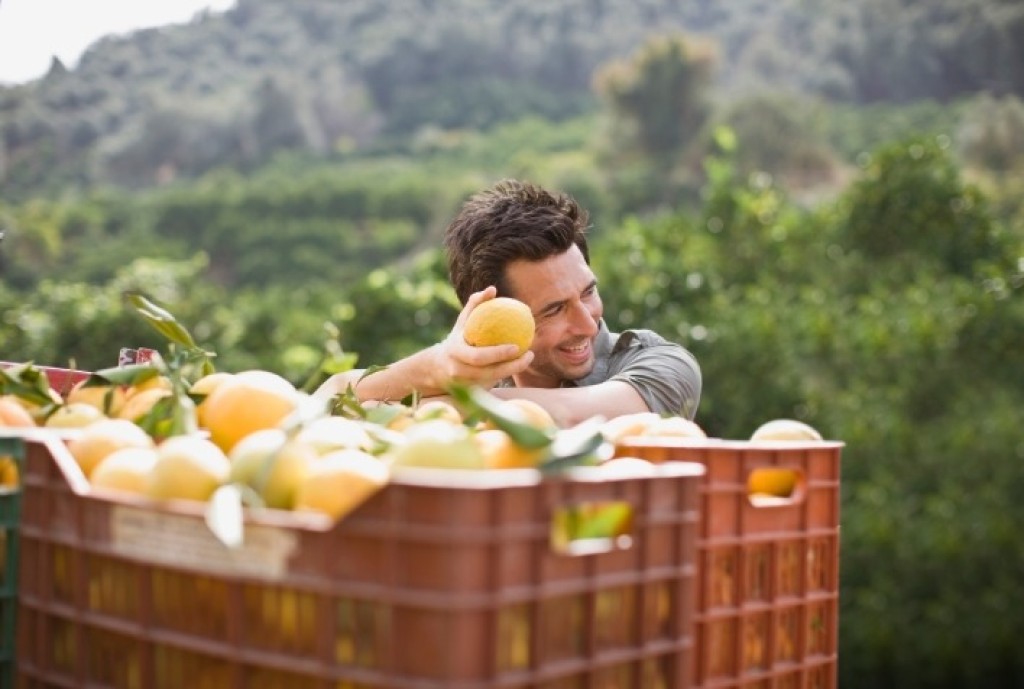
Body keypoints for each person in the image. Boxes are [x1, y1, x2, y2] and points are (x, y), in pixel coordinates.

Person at [315, 179, 701, 427]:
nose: (587, 323)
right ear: (489, 313)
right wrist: (437, 366)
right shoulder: (465, 379)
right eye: (554, 309)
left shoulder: (662, 367)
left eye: (587, 292)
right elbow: (326, 398)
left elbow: (562, 416)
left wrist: (410, 405)